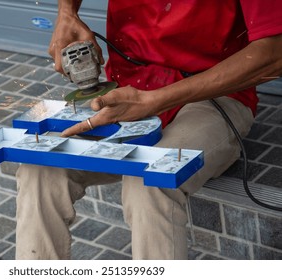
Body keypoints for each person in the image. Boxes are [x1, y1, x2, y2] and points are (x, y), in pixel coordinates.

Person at [15, 0, 282, 259]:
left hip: (213, 93)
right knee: (40, 168)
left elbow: (274, 53)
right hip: (130, 88)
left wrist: (156, 100)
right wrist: (67, 12)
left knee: (150, 180)